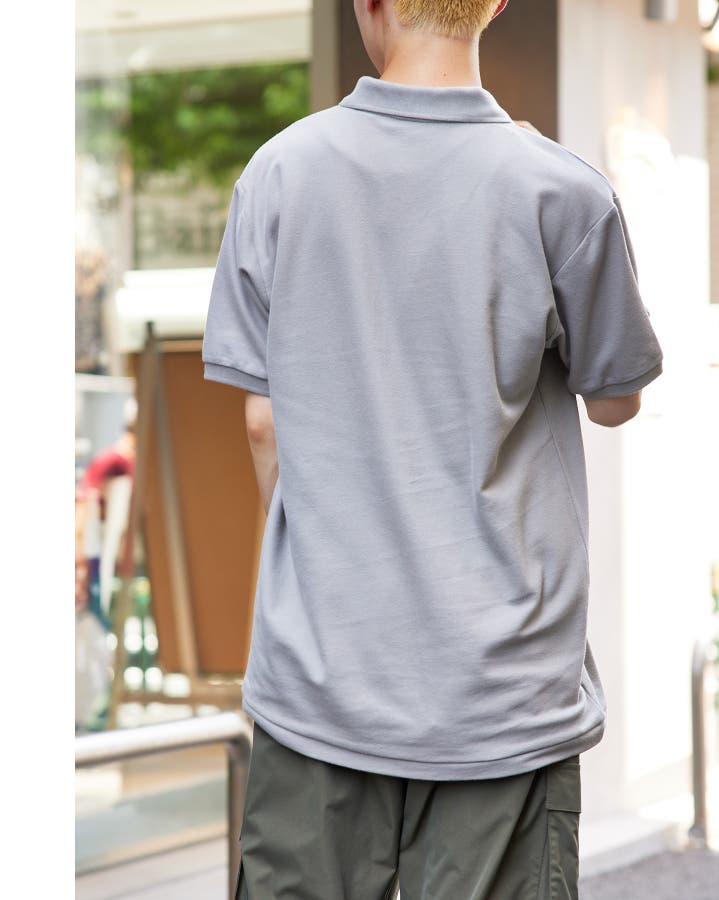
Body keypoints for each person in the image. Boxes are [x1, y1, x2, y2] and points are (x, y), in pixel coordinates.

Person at [201, 1, 664, 897]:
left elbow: (263, 424)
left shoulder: (279, 172)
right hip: (502, 695)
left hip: (321, 680)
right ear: (495, 4)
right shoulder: (561, 189)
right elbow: (615, 402)